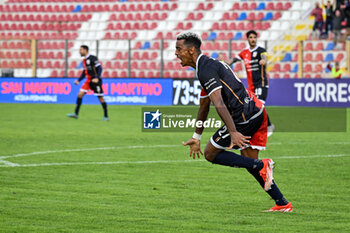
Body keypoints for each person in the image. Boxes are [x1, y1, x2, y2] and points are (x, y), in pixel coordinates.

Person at [177, 32, 292, 212]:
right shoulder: (207, 66)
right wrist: (196, 136)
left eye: (179, 49)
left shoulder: (206, 69)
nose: (176, 53)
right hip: (256, 112)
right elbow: (204, 106)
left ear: (191, 51)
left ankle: (263, 164)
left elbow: (219, 103)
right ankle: (282, 203)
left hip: (244, 117)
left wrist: (232, 132)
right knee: (249, 161)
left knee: (210, 153)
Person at [225, 30, 274, 137]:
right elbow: (233, 60)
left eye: (254, 37)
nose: (253, 39)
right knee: (252, 108)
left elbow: (264, 57)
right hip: (251, 85)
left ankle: (268, 126)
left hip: (261, 83)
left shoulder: (261, 50)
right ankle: (257, 128)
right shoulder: (244, 53)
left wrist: (264, 61)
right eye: (251, 37)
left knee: (259, 105)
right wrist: (224, 62)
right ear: (247, 39)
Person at [66, 45, 109, 121]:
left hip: (96, 81)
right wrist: (78, 80)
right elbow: (85, 72)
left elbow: (100, 68)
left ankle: (106, 116)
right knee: (80, 94)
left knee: (101, 98)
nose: (80, 51)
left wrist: (97, 78)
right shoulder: (84, 60)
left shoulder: (93, 58)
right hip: (88, 81)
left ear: (85, 50)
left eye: (81, 50)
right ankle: (76, 114)